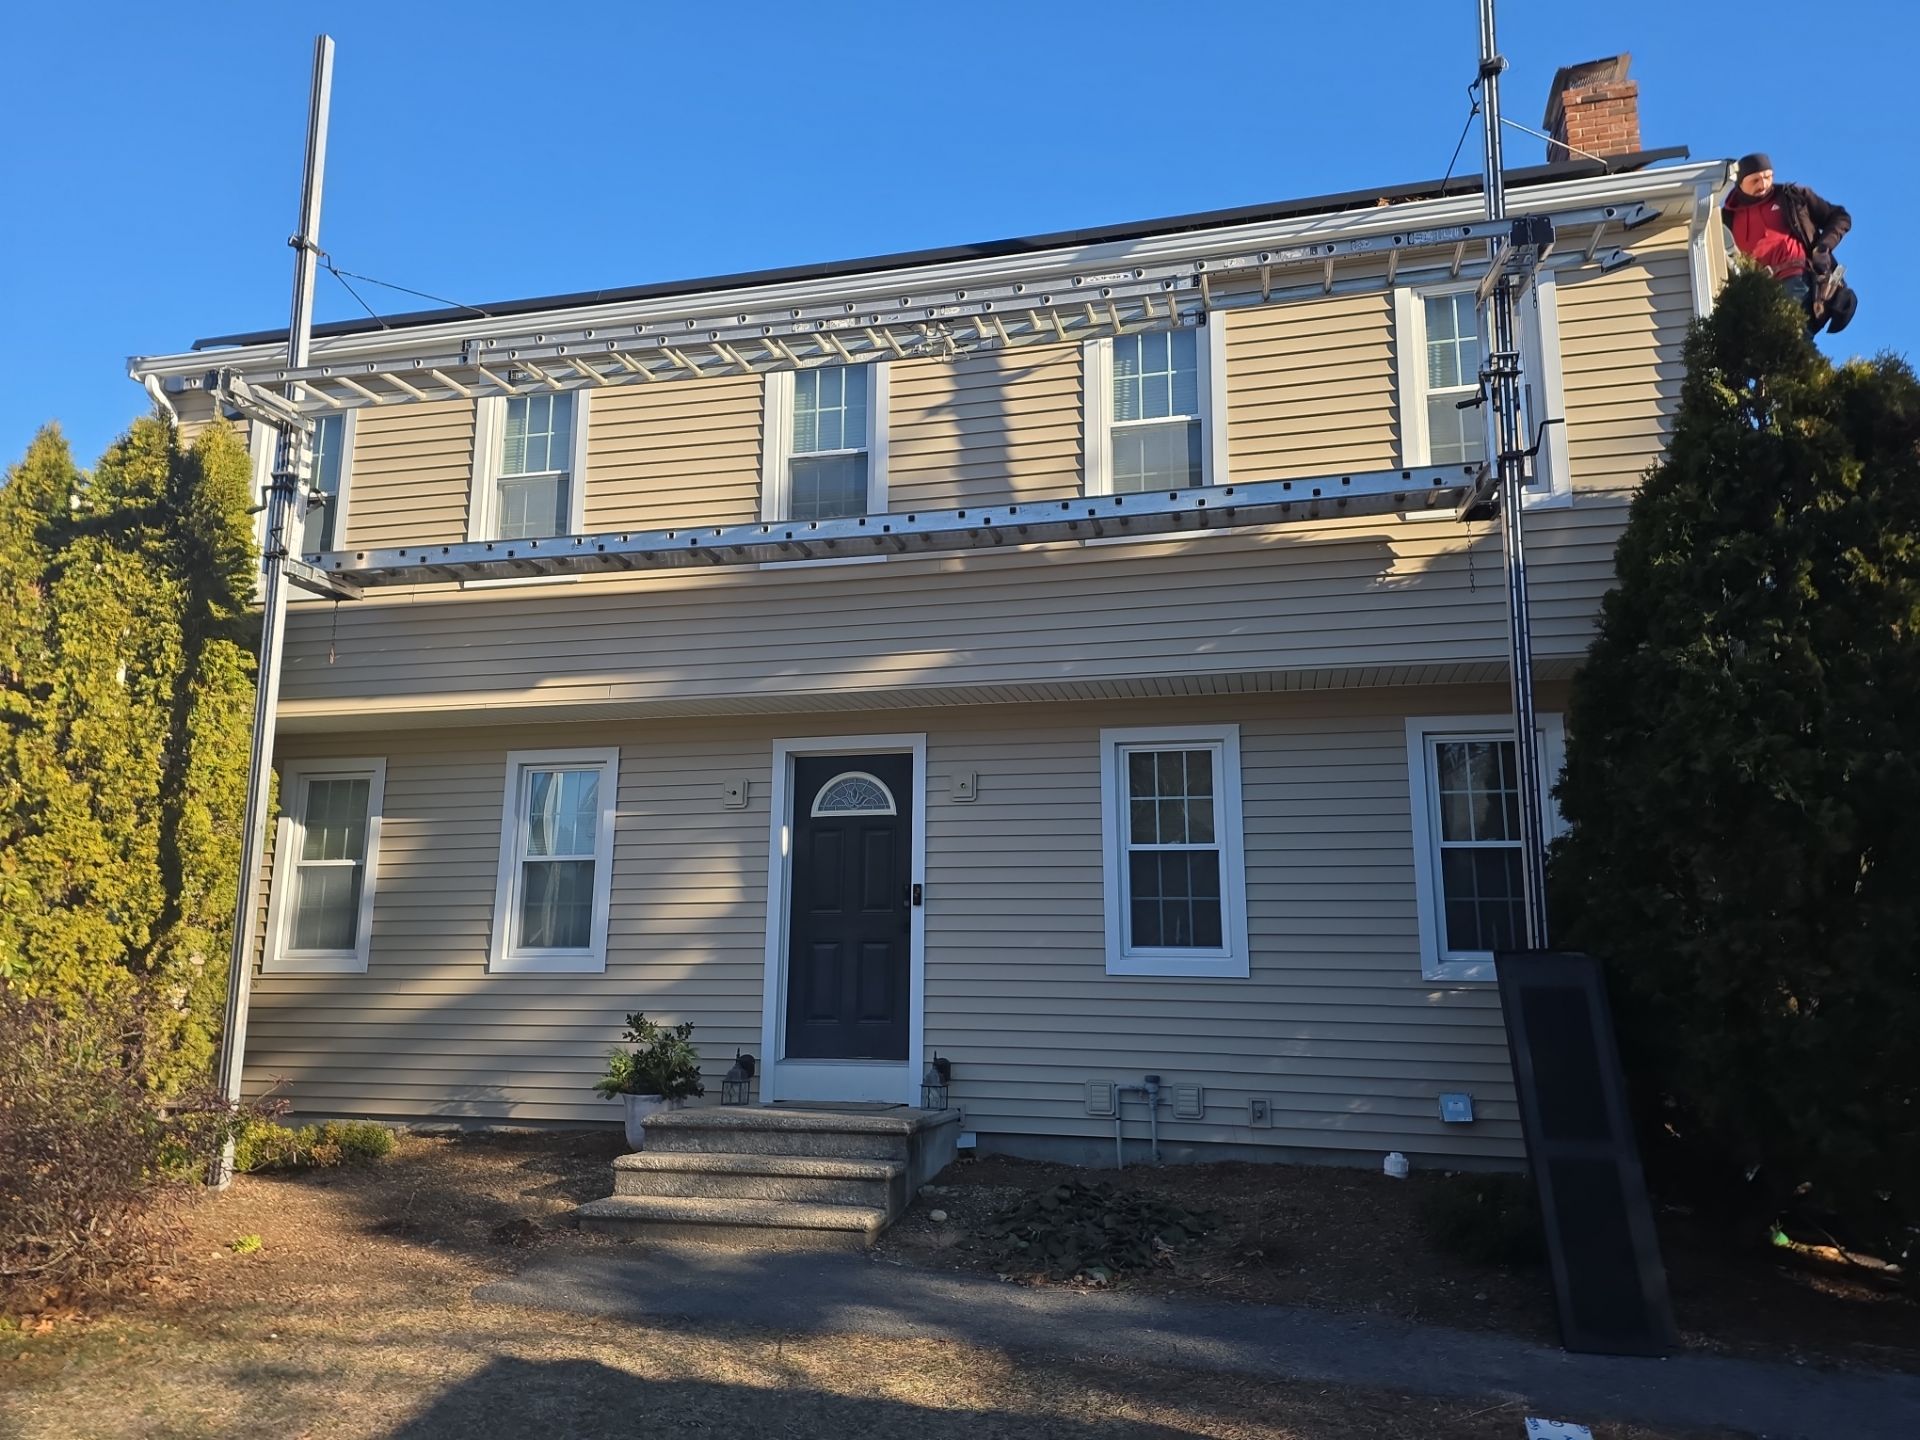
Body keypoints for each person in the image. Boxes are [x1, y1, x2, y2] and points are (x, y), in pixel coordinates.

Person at [1723, 153, 1855, 333]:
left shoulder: (1791, 197)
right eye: (1755, 180)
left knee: (1791, 332)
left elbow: (1840, 217)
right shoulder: (1726, 219)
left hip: (1796, 278)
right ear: (1740, 183)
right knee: (1766, 342)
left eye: (1768, 177)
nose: (1763, 185)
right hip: (1756, 292)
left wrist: (1823, 247)